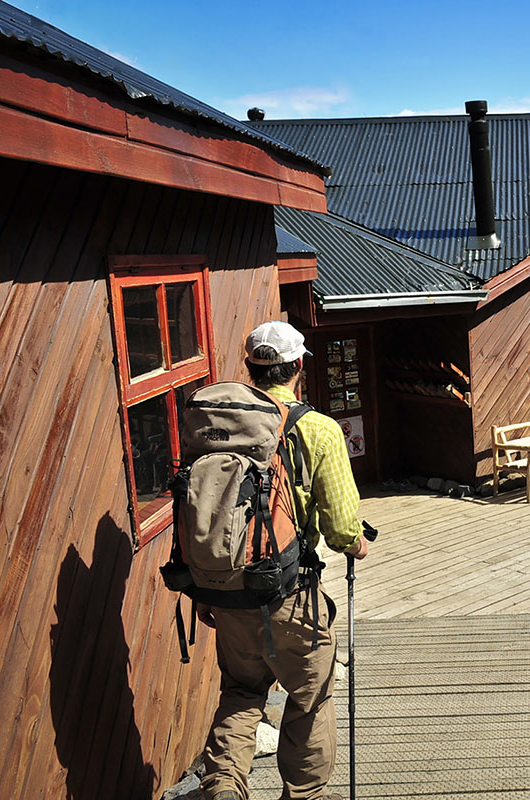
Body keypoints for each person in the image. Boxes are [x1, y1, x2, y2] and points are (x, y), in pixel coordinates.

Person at [198, 321, 369, 800]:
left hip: (227, 592)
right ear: (298, 369)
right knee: (310, 699)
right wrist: (358, 544)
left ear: (251, 369)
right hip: (294, 597)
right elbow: (340, 530)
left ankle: (223, 791)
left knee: (241, 694)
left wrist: (205, 588)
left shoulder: (218, 427)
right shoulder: (318, 429)